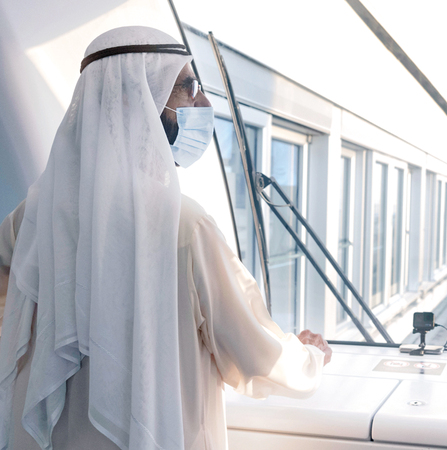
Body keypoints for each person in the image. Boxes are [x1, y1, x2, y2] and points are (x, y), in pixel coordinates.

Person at [0, 26, 331, 450]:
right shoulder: (186, 225)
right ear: (135, 98)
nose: (205, 104)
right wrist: (310, 356)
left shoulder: (30, 217)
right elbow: (256, 357)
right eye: (188, 88)